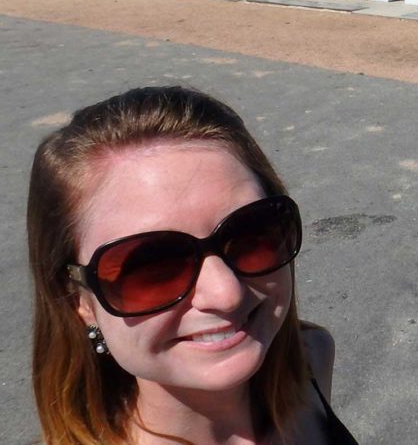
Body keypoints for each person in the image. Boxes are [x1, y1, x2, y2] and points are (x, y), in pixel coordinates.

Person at [27, 86, 357, 444]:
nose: (225, 293)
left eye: (250, 232)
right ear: (78, 299)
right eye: (152, 265)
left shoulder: (310, 361)